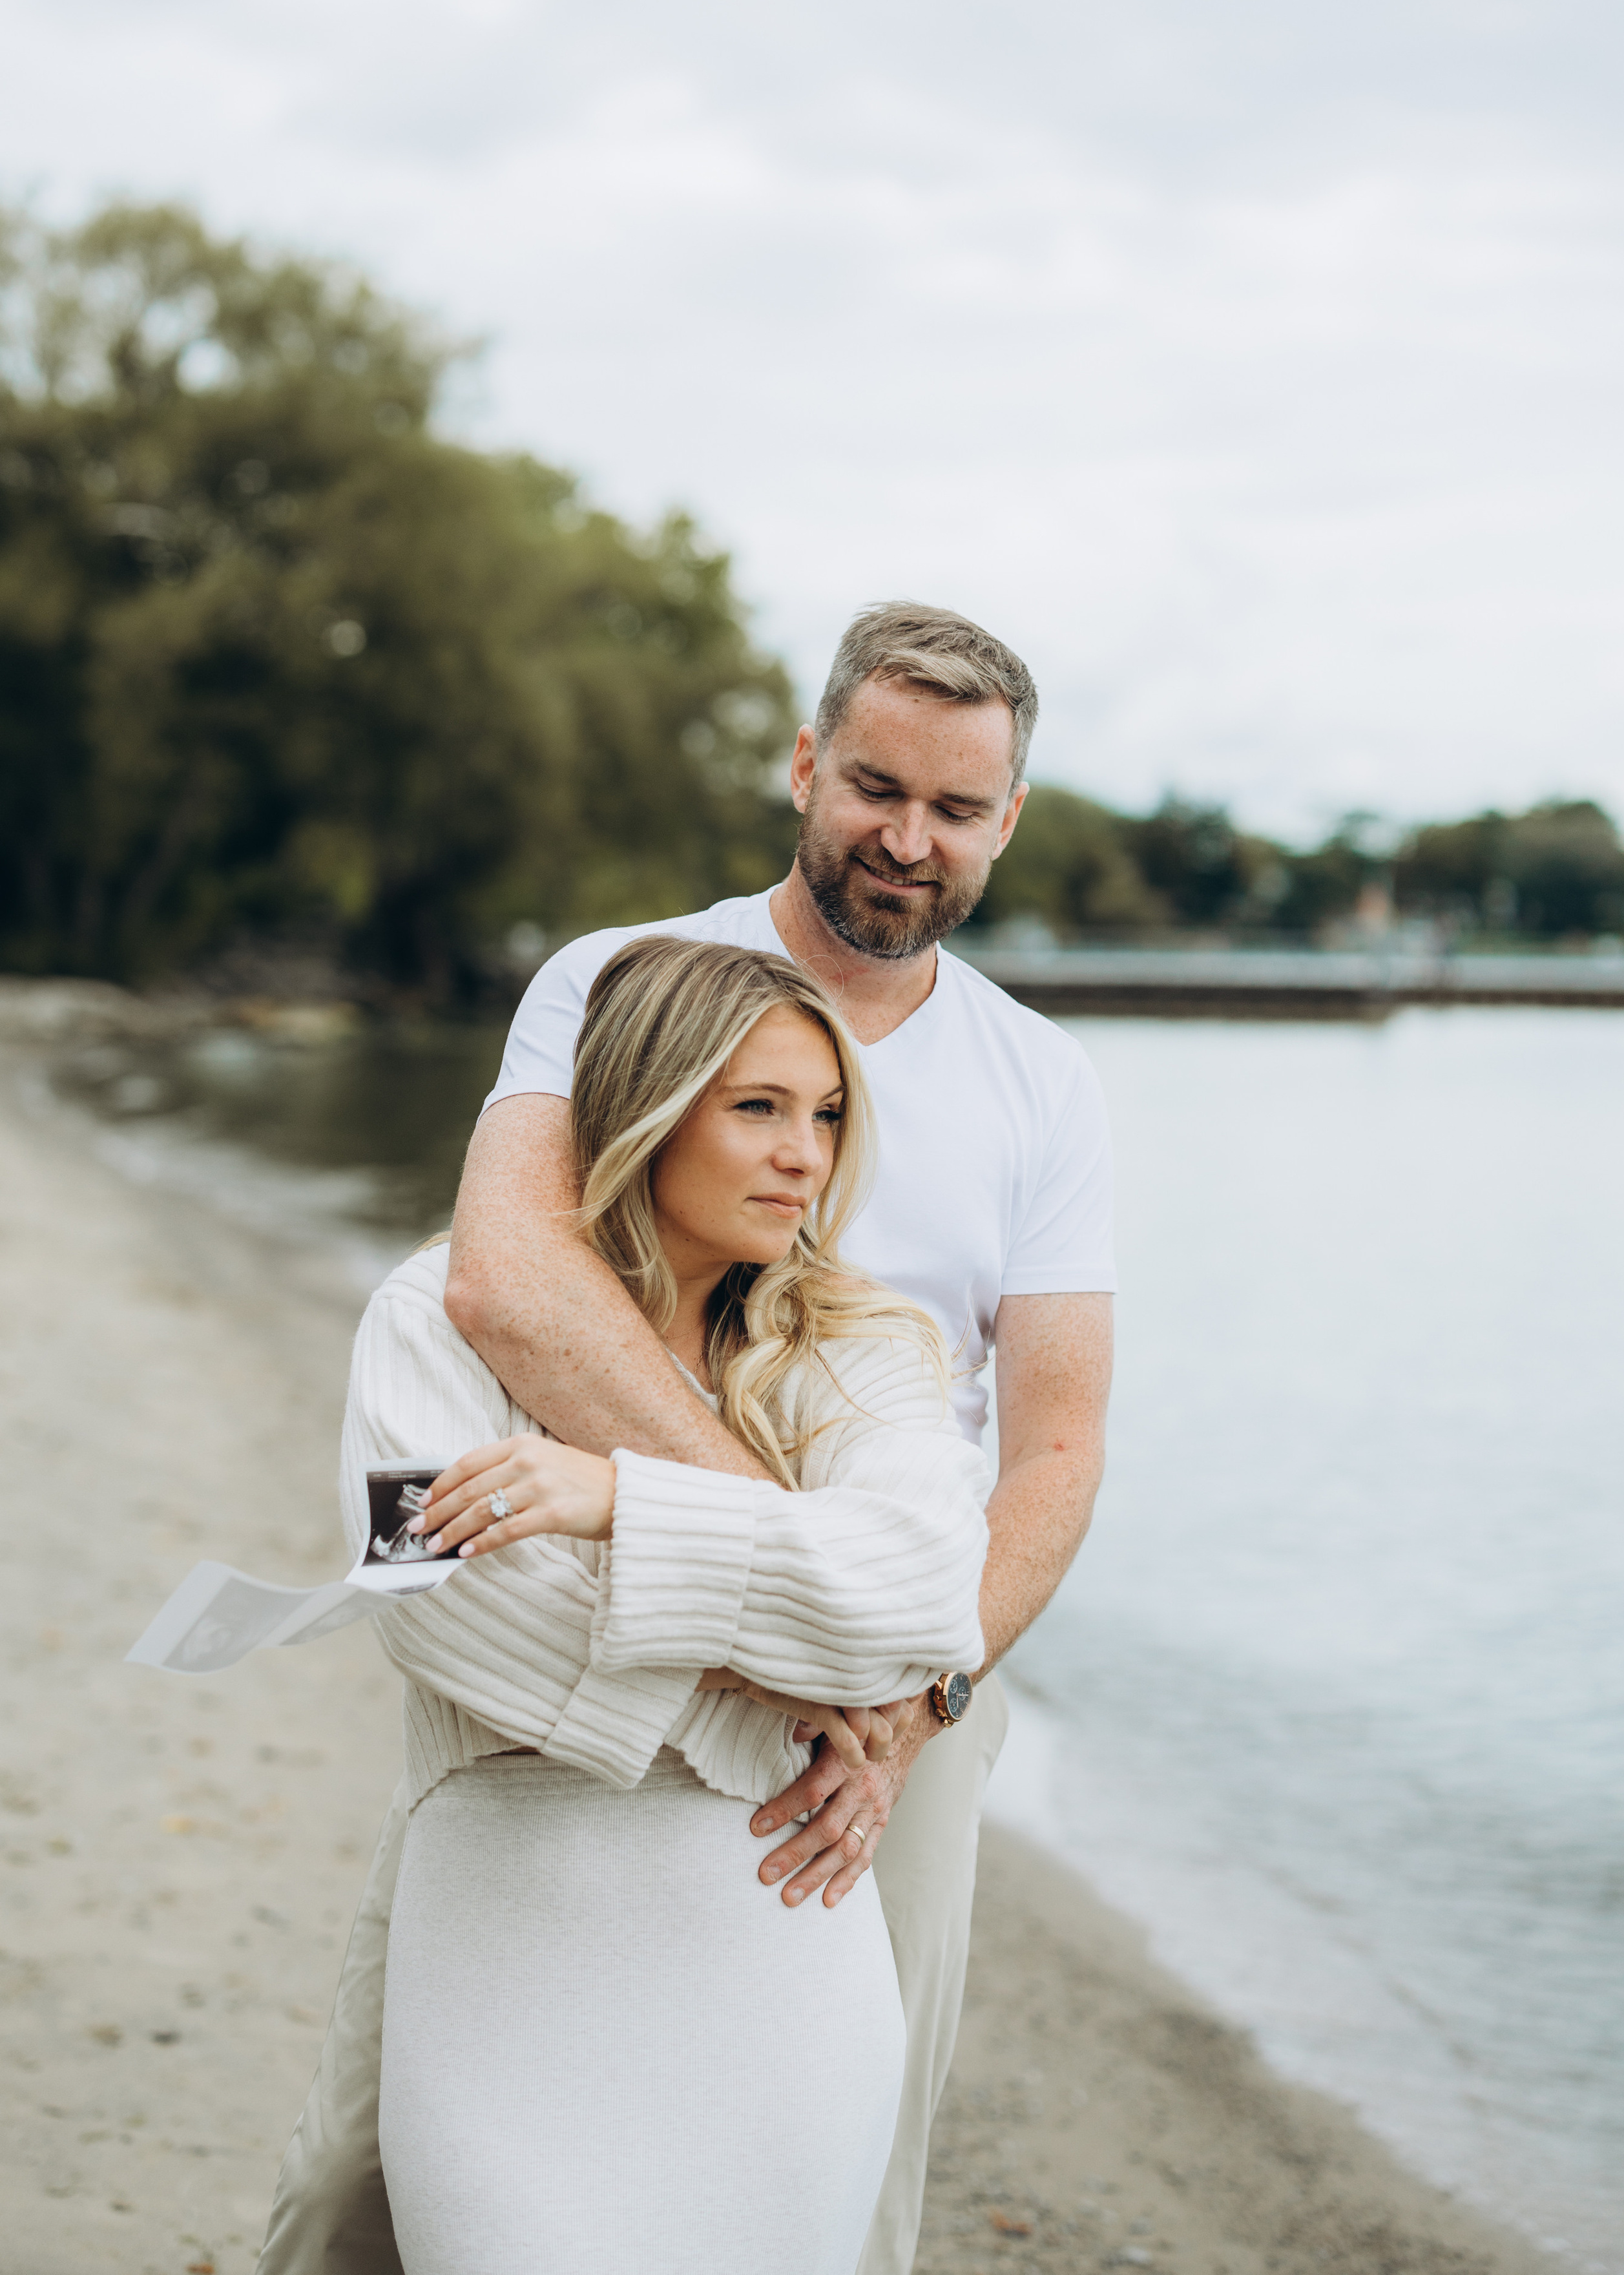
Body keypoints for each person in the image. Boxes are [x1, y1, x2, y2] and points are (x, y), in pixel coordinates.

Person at [258, 602, 1116, 2275]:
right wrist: (792, 1622)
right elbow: (506, 1281)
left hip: (904, 1685)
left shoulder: (1042, 1084)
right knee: (363, 2185)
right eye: (875, 787)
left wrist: (908, 1699)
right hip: (603, 1658)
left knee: (836, 2180)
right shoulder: (617, 981)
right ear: (804, 764)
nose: (908, 837)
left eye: (956, 808)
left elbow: (1055, 1456)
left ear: (1008, 820)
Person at [355, 936, 990, 2273]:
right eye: (758, 1108)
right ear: (646, 1108)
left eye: (828, 1116)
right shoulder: (428, 1315)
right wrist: (797, 1671)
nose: (804, 1156)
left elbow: (922, 1598)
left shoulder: (865, 1343)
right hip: (501, 1950)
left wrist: (614, 1505)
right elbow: (432, 1609)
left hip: (780, 1938)